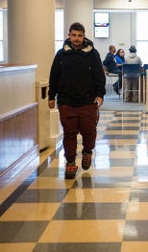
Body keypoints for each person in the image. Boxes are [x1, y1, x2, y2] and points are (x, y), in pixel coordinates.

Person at [48, 22, 106, 180]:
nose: (77, 38)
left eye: (80, 35)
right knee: (69, 133)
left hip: (88, 101)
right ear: (69, 36)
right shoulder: (61, 55)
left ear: (84, 36)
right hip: (66, 101)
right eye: (74, 35)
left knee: (89, 131)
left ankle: (87, 151)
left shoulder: (93, 54)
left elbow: (99, 76)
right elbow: (54, 76)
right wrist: (51, 96)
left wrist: (100, 94)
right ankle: (71, 162)